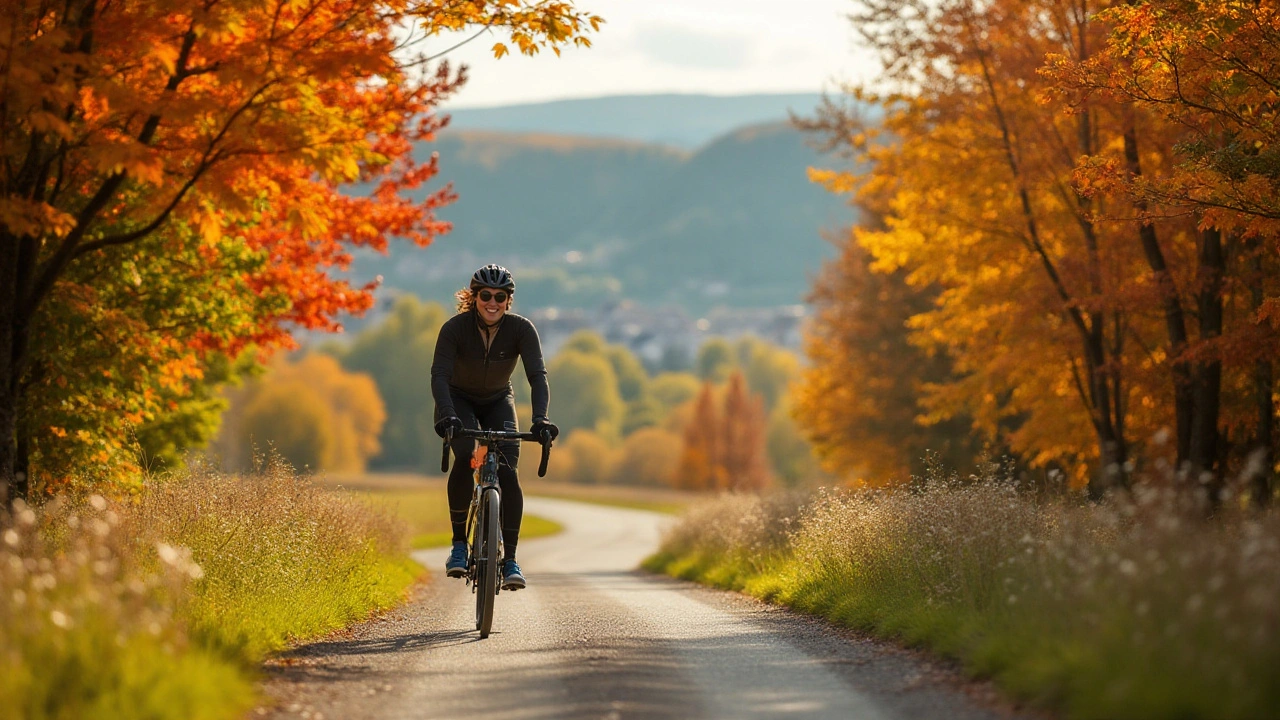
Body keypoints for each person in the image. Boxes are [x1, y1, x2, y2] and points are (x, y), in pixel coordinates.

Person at [431, 264, 559, 590]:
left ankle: (511, 559)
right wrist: (448, 415)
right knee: (464, 456)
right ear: (474, 298)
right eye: (485, 295)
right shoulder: (455, 329)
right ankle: (459, 545)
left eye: (500, 297)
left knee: (507, 472)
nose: (493, 302)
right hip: (459, 401)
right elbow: (440, 376)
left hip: (499, 400)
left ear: (508, 300)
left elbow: (537, 377)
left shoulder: (521, 330)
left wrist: (540, 419)